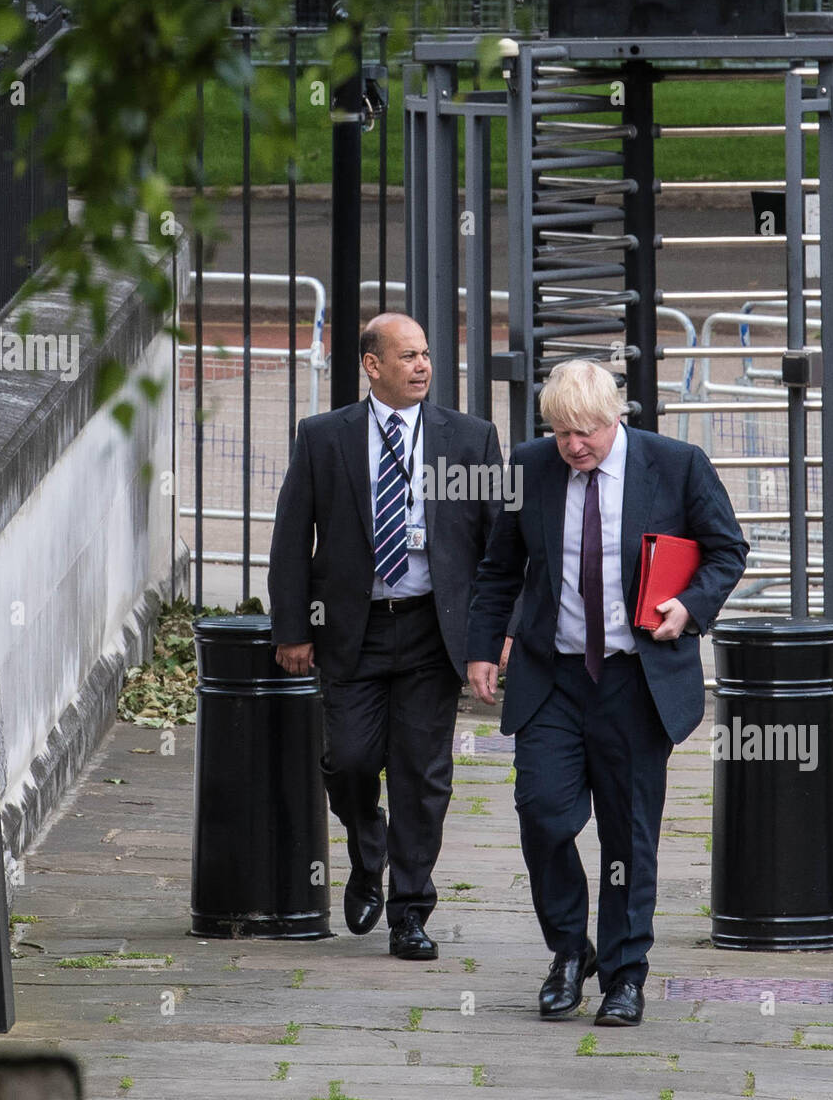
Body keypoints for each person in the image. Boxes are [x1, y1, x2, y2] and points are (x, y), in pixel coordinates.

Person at [466, 359, 747, 1025]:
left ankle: (625, 976)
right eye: (562, 433)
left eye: (587, 431)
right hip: (553, 679)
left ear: (616, 417)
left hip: (634, 680)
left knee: (629, 837)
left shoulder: (675, 465)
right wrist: (483, 647)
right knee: (542, 813)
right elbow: (501, 565)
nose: (575, 446)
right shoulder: (531, 467)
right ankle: (569, 950)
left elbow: (726, 549)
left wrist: (690, 605)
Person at [269, 312, 503, 960]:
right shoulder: (324, 438)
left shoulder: (469, 438)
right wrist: (291, 628)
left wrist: (495, 632)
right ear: (372, 365)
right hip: (354, 630)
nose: (423, 366)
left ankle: (410, 911)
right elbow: (291, 540)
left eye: (426, 354)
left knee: (422, 776)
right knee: (346, 762)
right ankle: (366, 848)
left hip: (433, 629)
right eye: (408, 356)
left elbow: (498, 544)